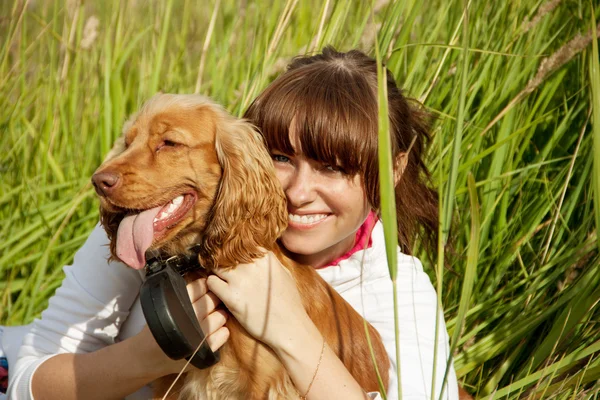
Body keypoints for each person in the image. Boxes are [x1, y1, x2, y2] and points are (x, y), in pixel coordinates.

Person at [1, 47, 459, 399]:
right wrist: (150, 356)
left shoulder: (400, 296)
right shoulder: (154, 224)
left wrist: (286, 325)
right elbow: (25, 377)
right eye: (280, 157)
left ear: (393, 170)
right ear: (248, 160)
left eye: (334, 168)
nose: (298, 192)